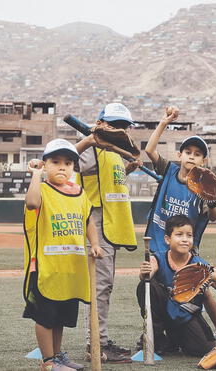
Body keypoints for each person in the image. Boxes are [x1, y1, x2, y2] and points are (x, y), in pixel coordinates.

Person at [23, 139, 103, 371]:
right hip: (46, 268)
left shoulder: (78, 193)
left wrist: (95, 243)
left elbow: (87, 220)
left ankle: (57, 356)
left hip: (71, 269)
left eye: (68, 163)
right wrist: (36, 175)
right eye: (55, 162)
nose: (62, 167)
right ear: (44, 164)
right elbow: (31, 203)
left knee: (60, 319)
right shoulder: (42, 189)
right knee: (45, 317)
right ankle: (48, 361)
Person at [74, 102, 138, 363]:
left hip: (112, 223)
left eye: (123, 125)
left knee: (105, 285)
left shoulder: (114, 151)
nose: (118, 129)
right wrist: (89, 140)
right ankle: (96, 346)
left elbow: (106, 180)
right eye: (113, 123)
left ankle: (100, 339)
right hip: (95, 222)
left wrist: (128, 169)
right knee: (99, 286)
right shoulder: (91, 145)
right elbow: (66, 161)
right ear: (100, 123)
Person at [137, 214, 216, 356]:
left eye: (189, 235)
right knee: (146, 285)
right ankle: (155, 336)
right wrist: (145, 273)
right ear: (167, 239)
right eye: (179, 234)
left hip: (186, 316)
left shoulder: (200, 265)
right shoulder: (158, 258)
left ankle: (172, 341)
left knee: (203, 350)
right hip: (164, 314)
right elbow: (147, 275)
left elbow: (208, 299)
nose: (185, 240)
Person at [144, 106, 216, 254]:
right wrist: (164, 123)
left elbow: (213, 217)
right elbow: (149, 150)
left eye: (197, 154)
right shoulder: (168, 170)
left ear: (203, 161)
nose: (191, 156)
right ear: (180, 155)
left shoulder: (203, 187)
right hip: (158, 244)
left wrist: (211, 204)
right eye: (188, 152)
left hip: (185, 250)